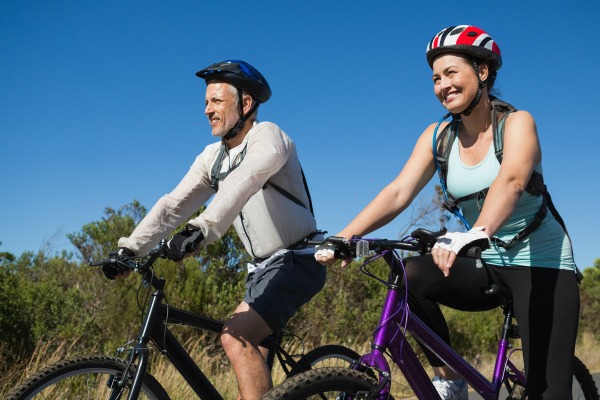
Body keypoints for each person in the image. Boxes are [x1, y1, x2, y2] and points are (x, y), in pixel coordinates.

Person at [316, 25, 579, 400]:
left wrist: (476, 231)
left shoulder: (517, 124)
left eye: (452, 73)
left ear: (483, 72)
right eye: (436, 78)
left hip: (543, 264)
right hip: (485, 259)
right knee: (410, 276)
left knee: (549, 393)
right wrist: (344, 236)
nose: (443, 85)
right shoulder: (438, 136)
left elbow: (513, 181)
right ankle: (451, 379)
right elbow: (397, 192)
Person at [112, 60, 326, 400]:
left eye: (216, 101)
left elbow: (246, 180)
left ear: (245, 103)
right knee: (249, 384)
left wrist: (201, 229)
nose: (207, 110)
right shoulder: (212, 157)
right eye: (206, 102)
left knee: (234, 336)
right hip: (262, 271)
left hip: (298, 260)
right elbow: (174, 204)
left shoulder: (269, 137)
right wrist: (129, 250)